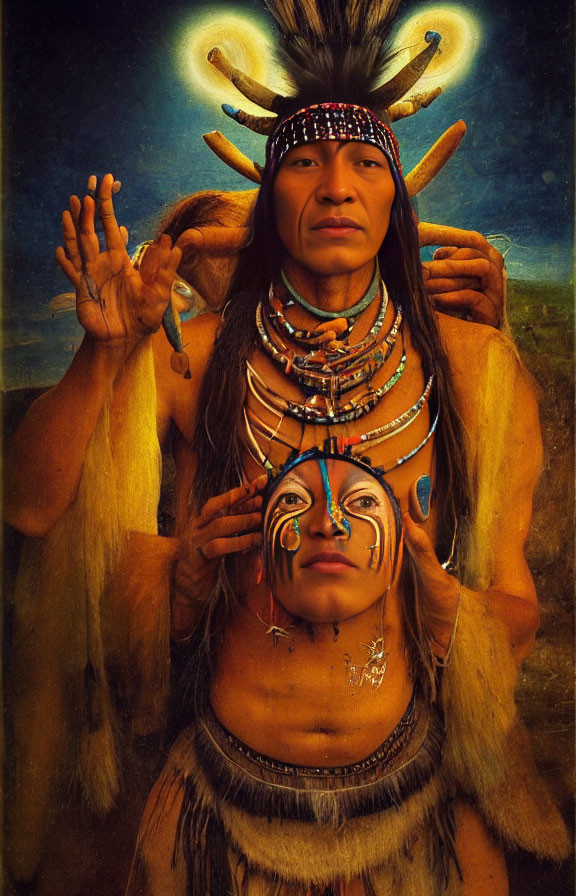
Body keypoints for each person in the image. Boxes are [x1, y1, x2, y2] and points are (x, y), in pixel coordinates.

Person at [3, 0, 567, 892]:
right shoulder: (191, 355)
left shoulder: (471, 368)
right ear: (271, 199)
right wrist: (103, 354)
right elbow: (29, 505)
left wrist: (448, 608)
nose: (336, 187)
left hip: (420, 810)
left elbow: (518, 606)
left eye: (363, 163)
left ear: (395, 199)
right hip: (213, 814)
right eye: (304, 163)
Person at [126, 447, 567, 894]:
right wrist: (180, 588)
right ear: (255, 549)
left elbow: (521, 621)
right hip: (216, 822)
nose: (329, 523)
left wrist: (454, 611)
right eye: (294, 501)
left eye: (363, 503)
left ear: (400, 551)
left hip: (423, 822)